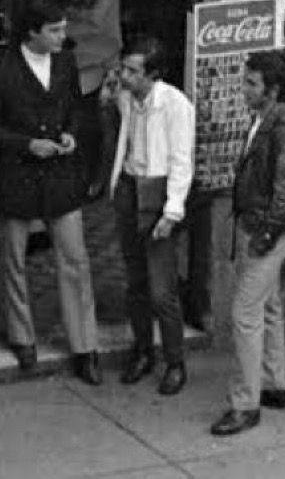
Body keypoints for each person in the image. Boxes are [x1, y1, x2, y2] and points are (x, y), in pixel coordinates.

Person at [0, 0, 102, 384]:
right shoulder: (0, 72)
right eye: (55, 30)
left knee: (75, 260)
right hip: (17, 175)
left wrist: (70, 135)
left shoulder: (65, 63)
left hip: (60, 175)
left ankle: (85, 346)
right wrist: (26, 144)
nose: (63, 36)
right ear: (32, 32)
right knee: (14, 260)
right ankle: (22, 336)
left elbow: (75, 109)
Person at [210, 51, 285, 437]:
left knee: (245, 311)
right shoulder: (269, 122)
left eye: (251, 83)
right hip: (261, 226)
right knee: (267, 305)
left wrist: (265, 237)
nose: (243, 89)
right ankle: (274, 382)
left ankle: (245, 403)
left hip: (268, 230)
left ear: (271, 90)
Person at [106, 37, 195, 395]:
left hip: (157, 192)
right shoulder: (126, 98)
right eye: (124, 68)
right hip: (130, 186)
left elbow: (181, 161)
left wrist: (172, 211)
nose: (126, 76)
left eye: (133, 71)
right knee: (136, 282)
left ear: (153, 75)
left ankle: (175, 361)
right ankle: (143, 350)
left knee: (162, 290)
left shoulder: (174, 105)